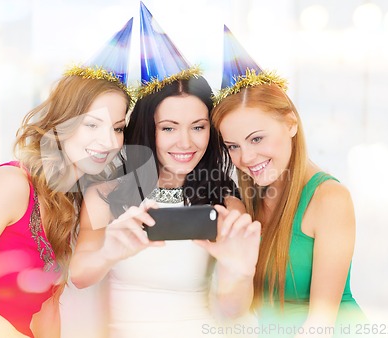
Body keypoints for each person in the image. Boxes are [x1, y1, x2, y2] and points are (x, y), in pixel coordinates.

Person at [0, 20, 134, 338]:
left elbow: (47, 308)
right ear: (61, 124)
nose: (111, 142)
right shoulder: (12, 183)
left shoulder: (68, 204)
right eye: (92, 125)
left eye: (117, 128)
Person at [70, 4, 261, 338]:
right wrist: (109, 251)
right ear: (149, 129)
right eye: (169, 128)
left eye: (198, 127)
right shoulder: (104, 194)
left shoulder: (226, 204)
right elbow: (79, 276)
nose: (185, 142)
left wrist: (240, 271)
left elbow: (231, 314)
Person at [211, 25, 366, 338]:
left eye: (257, 138)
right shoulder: (247, 200)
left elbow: (321, 323)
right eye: (233, 146)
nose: (246, 157)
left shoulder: (330, 199)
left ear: (291, 124)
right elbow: (233, 310)